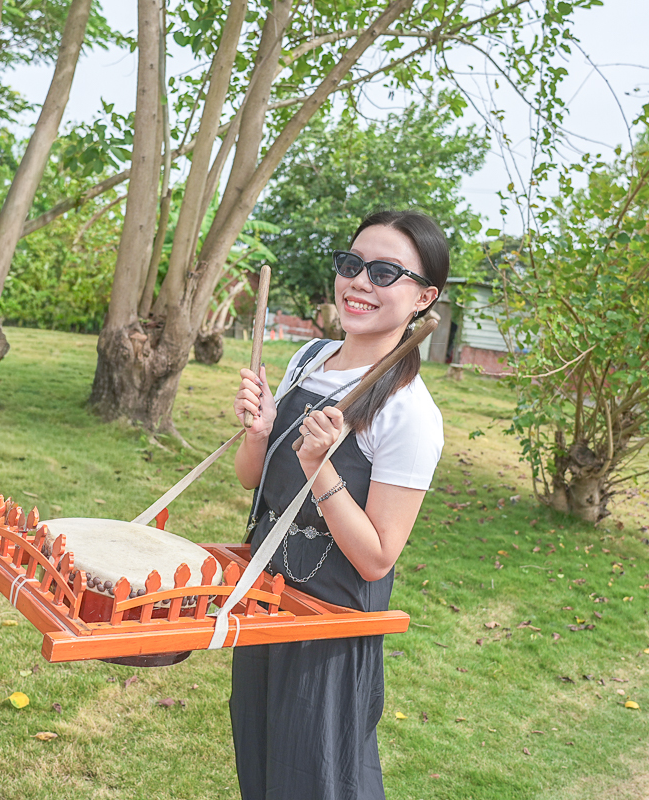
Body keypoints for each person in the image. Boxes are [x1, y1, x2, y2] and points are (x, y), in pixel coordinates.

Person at [229, 210, 449, 799]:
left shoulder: (408, 413)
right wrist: (258, 433)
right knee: (262, 773)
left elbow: (377, 557)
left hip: (329, 633)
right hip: (264, 606)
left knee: (318, 785)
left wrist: (320, 470)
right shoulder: (308, 361)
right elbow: (253, 481)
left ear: (424, 297)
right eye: (352, 265)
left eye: (385, 272)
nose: (361, 282)